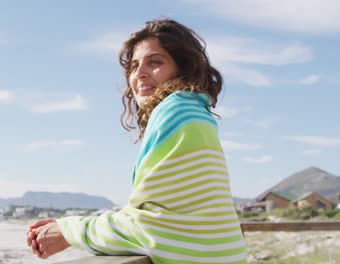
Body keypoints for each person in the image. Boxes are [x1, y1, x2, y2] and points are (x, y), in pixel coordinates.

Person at [26, 18, 247, 264]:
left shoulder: (176, 111)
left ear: (182, 68)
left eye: (155, 62)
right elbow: (173, 219)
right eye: (133, 66)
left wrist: (69, 231)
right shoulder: (197, 113)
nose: (139, 74)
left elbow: (157, 228)